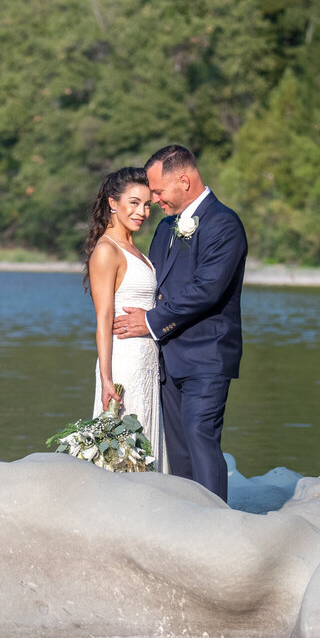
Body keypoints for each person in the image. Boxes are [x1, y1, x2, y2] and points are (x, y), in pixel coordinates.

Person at [113, 145, 247, 500]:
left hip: (207, 355)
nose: (154, 199)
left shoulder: (224, 224)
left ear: (184, 180)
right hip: (166, 359)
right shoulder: (166, 227)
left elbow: (208, 290)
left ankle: (216, 520)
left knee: (199, 434)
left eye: (158, 191)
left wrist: (151, 322)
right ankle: (190, 516)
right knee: (179, 447)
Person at [84, 166, 167, 472]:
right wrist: (106, 379)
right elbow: (103, 319)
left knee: (144, 443)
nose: (142, 211)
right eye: (133, 202)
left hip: (147, 361)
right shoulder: (107, 250)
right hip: (124, 364)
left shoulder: (133, 247)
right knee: (126, 450)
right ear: (112, 202)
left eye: (146, 204)